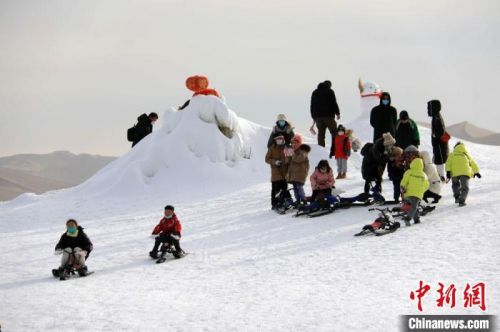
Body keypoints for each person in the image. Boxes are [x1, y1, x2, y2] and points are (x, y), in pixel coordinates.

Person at [445, 142, 481, 207]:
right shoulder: (466, 154)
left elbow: (448, 163)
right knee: (465, 187)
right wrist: (476, 172)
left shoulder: (452, 154)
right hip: (465, 172)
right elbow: (473, 163)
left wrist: (448, 172)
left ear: (455, 147)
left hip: (454, 173)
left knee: (455, 185)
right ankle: (461, 201)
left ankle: (457, 197)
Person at [310, 80, 341, 147]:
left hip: (318, 118)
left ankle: (321, 149)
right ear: (329, 85)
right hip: (328, 116)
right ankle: (336, 148)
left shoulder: (315, 92)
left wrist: (314, 117)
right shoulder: (330, 91)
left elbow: (312, 105)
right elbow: (334, 103)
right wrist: (338, 113)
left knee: (321, 134)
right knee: (334, 132)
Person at [400, 158, 429, 226]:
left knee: (414, 206)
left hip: (408, 193)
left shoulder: (408, 172)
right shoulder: (424, 175)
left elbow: (404, 181)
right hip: (417, 194)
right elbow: (426, 185)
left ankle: (417, 219)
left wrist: (402, 187)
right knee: (414, 207)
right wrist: (421, 191)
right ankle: (407, 218)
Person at [265, 134, 291, 209]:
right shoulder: (272, 148)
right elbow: (267, 159)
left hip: (284, 172)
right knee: (276, 189)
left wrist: (287, 161)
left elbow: (289, 158)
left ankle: (284, 202)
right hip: (276, 172)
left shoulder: (286, 148)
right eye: (278, 139)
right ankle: (275, 204)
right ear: (275, 140)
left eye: (281, 139)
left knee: (284, 188)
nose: (279, 141)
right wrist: (275, 162)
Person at [427, 100, 449, 180]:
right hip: (438, 145)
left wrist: (434, 135)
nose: (428, 111)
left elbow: (441, 131)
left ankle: (441, 177)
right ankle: (440, 176)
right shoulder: (436, 117)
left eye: (429, 108)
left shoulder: (437, 117)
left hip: (439, 145)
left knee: (439, 160)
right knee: (438, 159)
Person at [288, 141, 311, 206]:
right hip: (295, 174)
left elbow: (298, 159)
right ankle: (298, 200)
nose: (293, 145)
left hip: (299, 174)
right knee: (295, 187)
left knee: (299, 187)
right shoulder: (298, 152)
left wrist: (293, 154)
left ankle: (304, 200)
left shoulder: (303, 152)